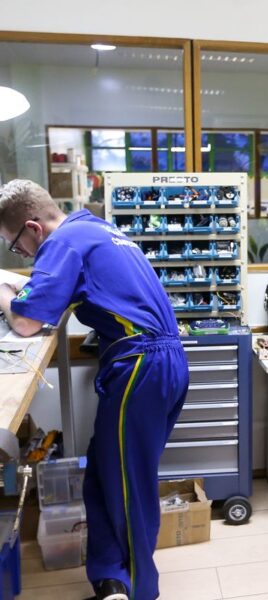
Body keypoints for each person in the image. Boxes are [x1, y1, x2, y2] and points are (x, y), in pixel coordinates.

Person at [0, 180, 189, 600]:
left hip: (141, 367)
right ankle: (111, 584)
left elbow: (27, 322)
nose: (23, 254)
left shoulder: (62, 243)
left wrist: (3, 291)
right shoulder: (97, 229)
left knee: (128, 490)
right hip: (163, 362)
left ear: (33, 228)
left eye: (16, 245)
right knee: (105, 475)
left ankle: (141, 591)